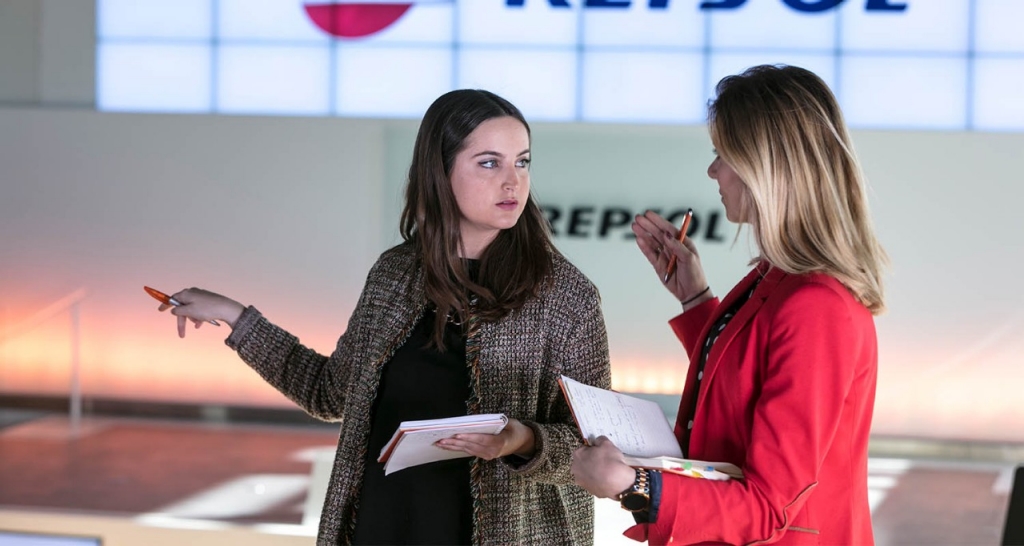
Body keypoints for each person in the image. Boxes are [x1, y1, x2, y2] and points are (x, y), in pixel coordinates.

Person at [155, 89, 611, 545]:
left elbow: (599, 451)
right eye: (489, 163)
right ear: (441, 169)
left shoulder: (566, 297)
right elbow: (329, 394)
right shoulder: (394, 274)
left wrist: (522, 440)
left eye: (522, 162)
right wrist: (236, 318)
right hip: (383, 525)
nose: (513, 182)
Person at [571, 64, 887, 545]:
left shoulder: (817, 305)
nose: (713, 170)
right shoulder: (779, 280)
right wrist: (695, 299)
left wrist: (632, 484)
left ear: (767, 166)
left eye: (723, 154)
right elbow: (749, 383)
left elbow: (767, 508)